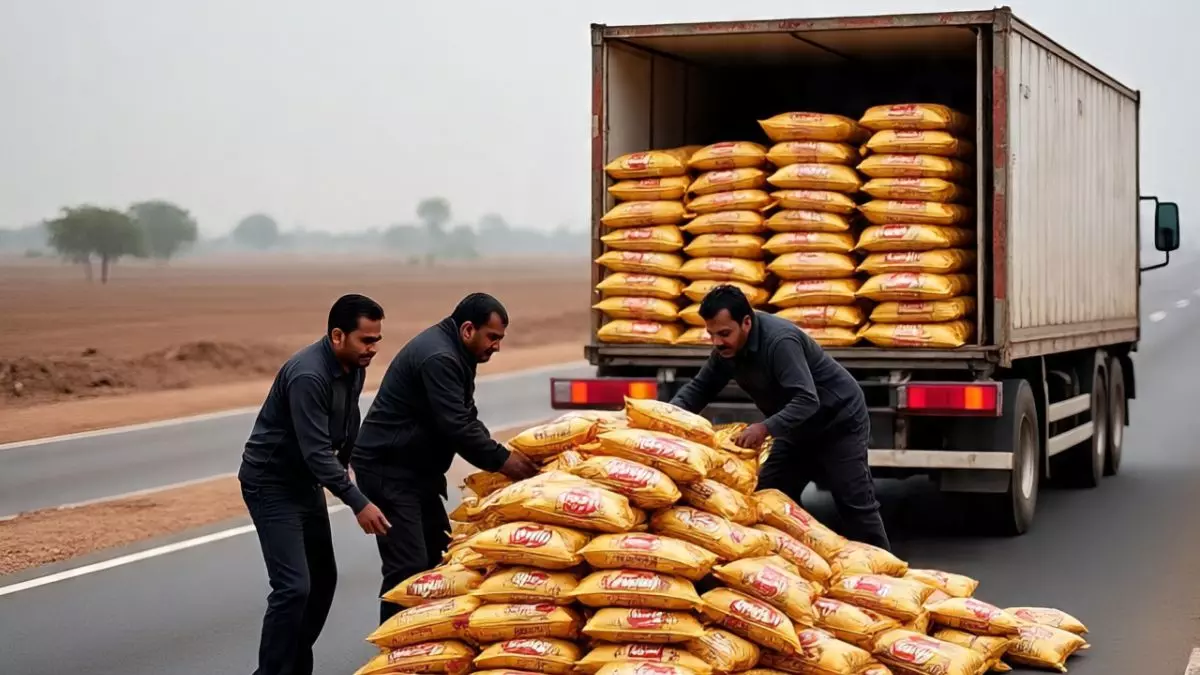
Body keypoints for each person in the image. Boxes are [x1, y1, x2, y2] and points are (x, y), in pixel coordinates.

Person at [352, 292, 540, 623]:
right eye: (492, 337)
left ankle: (425, 638)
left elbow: (466, 415)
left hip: (417, 471)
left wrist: (505, 455)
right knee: (408, 567)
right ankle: (395, 653)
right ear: (468, 329)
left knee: (441, 557)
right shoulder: (439, 357)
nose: (496, 346)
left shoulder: (456, 352)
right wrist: (508, 464)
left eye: (500, 339)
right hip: (389, 469)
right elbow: (457, 426)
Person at [669, 284, 891, 551]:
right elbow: (699, 388)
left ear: (746, 322)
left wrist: (764, 428)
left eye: (724, 333)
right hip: (795, 427)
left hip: (837, 421)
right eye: (712, 334)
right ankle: (805, 556)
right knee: (772, 495)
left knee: (853, 503)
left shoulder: (780, 341)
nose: (717, 342)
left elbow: (807, 399)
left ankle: (885, 575)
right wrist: (668, 417)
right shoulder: (726, 351)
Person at [238, 293, 392, 675]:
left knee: (323, 581)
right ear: (338, 336)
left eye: (377, 340)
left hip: (304, 482)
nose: (373, 349)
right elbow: (316, 450)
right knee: (293, 588)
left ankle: (293, 665)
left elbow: (346, 422)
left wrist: (350, 467)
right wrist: (357, 501)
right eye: (366, 340)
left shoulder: (353, 365)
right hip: (271, 483)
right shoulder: (308, 375)